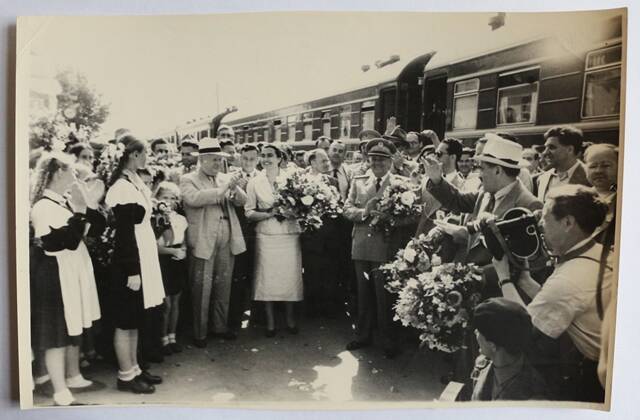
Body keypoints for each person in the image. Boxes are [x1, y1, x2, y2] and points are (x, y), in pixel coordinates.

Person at [493, 184, 612, 402]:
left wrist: (504, 277)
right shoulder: (600, 252)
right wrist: (525, 281)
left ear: (568, 223)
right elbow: (564, 302)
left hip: (594, 380)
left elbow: (523, 329)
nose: (539, 224)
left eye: (545, 218)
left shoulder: (568, 280)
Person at [30, 152, 103, 405]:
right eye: (72, 172)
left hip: (69, 272)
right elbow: (64, 243)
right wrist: (80, 213)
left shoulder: (63, 202)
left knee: (66, 330)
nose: (75, 177)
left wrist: (87, 207)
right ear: (58, 172)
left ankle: (63, 384)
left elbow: (96, 227)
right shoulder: (43, 206)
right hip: (55, 275)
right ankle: (61, 394)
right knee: (56, 335)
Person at [422, 135, 542, 266]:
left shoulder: (529, 205)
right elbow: (457, 200)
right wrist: (436, 179)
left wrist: (466, 235)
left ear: (498, 171)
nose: (479, 175)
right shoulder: (486, 193)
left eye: (482, 168)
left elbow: (527, 263)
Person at [105, 135, 165, 394]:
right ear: (134, 155)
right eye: (145, 153)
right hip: (130, 258)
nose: (148, 158)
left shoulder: (134, 182)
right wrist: (132, 269)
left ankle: (136, 368)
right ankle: (125, 374)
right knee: (126, 319)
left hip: (143, 253)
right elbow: (125, 233)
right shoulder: (121, 187)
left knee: (136, 316)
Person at [180, 138, 247, 347]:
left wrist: (235, 189)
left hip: (227, 235)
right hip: (203, 238)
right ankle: (200, 333)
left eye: (221, 159)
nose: (219, 163)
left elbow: (242, 202)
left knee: (223, 285)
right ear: (202, 160)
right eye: (215, 159)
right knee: (201, 287)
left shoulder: (224, 178)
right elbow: (195, 199)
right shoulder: (187, 179)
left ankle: (220, 327)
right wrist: (225, 186)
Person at [343, 139, 406, 359]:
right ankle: (362, 336)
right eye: (374, 158)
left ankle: (388, 340)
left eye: (382, 159)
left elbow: (411, 215)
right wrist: (364, 212)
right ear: (368, 160)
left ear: (390, 162)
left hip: (387, 246)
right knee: (363, 294)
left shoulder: (401, 183)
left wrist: (390, 220)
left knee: (385, 296)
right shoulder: (358, 181)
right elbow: (346, 209)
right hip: (362, 245)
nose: (377, 162)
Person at [245, 144, 303, 336]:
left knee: (289, 278)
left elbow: (303, 207)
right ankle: (270, 322)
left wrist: (293, 211)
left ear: (280, 158)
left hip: (289, 235)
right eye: (263, 156)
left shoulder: (292, 178)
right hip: (267, 236)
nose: (266, 159)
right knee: (267, 279)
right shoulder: (254, 182)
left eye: (270, 155)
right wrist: (270, 213)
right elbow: (249, 212)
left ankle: (290, 319)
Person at [470, 298, 546, 401]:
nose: (475, 333)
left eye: (479, 331)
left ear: (492, 345)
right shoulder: (482, 363)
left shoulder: (532, 395)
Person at [301, 149, 341, 318]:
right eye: (323, 160)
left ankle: (328, 308)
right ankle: (311, 309)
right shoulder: (301, 181)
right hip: (310, 234)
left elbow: (338, 204)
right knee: (311, 271)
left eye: (327, 160)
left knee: (329, 271)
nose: (327, 163)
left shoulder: (332, 181)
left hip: (329, 233)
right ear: (312, 162)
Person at [227, 144, 260, 333]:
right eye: (245, 158)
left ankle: (256, 316)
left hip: (257, 231)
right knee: (237, 275)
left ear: (257, 159)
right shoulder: (234, 177)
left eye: (252, 159)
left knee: (256, 273)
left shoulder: (261, 177)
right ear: (240, 158)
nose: (248, 162)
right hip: (238, 231)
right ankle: (235, 319)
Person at [154, 182, 188, 356]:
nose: (168, 201)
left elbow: (183, 240)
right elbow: (155, 246)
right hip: (163, 260)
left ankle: (172, 336)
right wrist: (172, 250)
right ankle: (162, 339)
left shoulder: (181, 219)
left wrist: (182, 250)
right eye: (164, 197)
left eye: (172, 198)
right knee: (165, 304)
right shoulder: (156, 218)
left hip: (177, 260)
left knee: (176, 301)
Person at [537, 125, 591, 202]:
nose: (545, 152)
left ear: (570, 149)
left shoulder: (589, 177)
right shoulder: (542, 178)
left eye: (552, 147)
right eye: (545, 147)